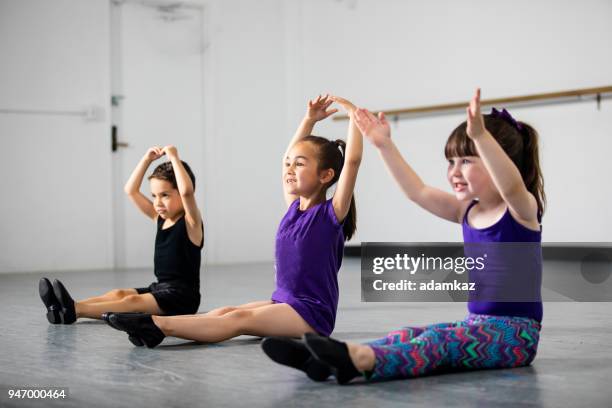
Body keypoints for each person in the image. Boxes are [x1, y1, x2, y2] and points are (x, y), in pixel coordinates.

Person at [263, 89, 545, 384]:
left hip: (516, 336)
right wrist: (384, 145)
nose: (455, 172)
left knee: (437, 343)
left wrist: (481, 137)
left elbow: (511, 185)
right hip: (478, 325)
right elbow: (418, 191)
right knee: (411, 335)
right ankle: (327, 359)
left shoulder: (521, 211)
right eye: (451, 163)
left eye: (467, 161)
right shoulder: (467, 212)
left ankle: (360, 362)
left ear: (499, 161)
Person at [104, 95, 363, 349]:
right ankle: (155, 324)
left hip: (311, 313)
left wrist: (354, 117)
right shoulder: (294, 209)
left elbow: (352, 162)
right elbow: (284, 157)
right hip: (282, 303)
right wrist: (308, 120)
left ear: (326, 175)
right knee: (226, 310)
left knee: (239, 320)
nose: (289, 169)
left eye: (300, 164)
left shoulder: (331, 214)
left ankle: (156, 326)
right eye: (289, 165)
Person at [38, 145, 203, 324]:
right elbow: (130, 190)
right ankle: (66, 306)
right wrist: (146, 160)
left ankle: (75, 310)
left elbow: (187, 192)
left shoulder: (191, 223)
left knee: (132, 301)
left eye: (165, 195)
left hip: (182, 298)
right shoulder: (159, 219)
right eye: (154, 196)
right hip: (160, 289)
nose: (158, 203)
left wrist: (173, 157)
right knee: (119, 294)